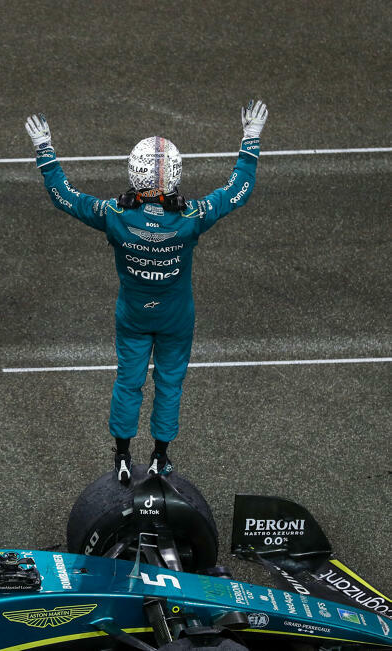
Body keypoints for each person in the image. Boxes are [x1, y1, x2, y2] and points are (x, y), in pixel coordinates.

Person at [25, 100, 268, 484]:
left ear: (133, 174)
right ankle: (159, 458)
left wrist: (45, 150)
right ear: (175, 175)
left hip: (134, 315)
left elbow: (65, 197)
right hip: (176, 318)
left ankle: (122, 456)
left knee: (128, 381)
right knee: (169, 384)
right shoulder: (192, 217)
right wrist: (250, 140)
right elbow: (238, 190)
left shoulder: (114, 215)